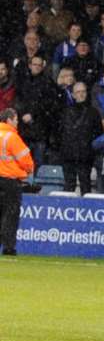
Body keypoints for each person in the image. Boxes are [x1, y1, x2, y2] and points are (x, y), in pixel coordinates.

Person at [0, 108, 35, 255]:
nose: (17, 122)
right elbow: (27, 162)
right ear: (9, 120)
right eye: (16, 119)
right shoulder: (12, 137)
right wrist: (28, 171)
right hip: (10, 181)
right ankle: (8, 248)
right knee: (10, 215)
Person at [58, 82, 102, 195]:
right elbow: (58, 132)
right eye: (78, 92)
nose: (81, 94)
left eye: (83, 91)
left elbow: (98, 134)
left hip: (85, 155)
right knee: (68, 186)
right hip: (68, 154)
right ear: (72, 94)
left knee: (85, 186)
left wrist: (89, 147)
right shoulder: (65, 112)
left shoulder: (94, 112)